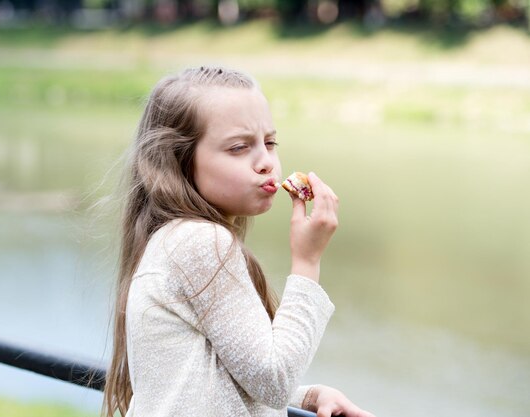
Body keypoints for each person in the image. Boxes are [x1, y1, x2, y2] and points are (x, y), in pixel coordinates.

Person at [102, 66, 375, 417]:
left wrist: (307, 398)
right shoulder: (200, 243)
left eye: (270, 142)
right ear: (179, 162)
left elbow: (214, 383)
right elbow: (273, 380)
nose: (266, 163)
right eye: (238, 147)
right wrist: (307, 262)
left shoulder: (174, 239)